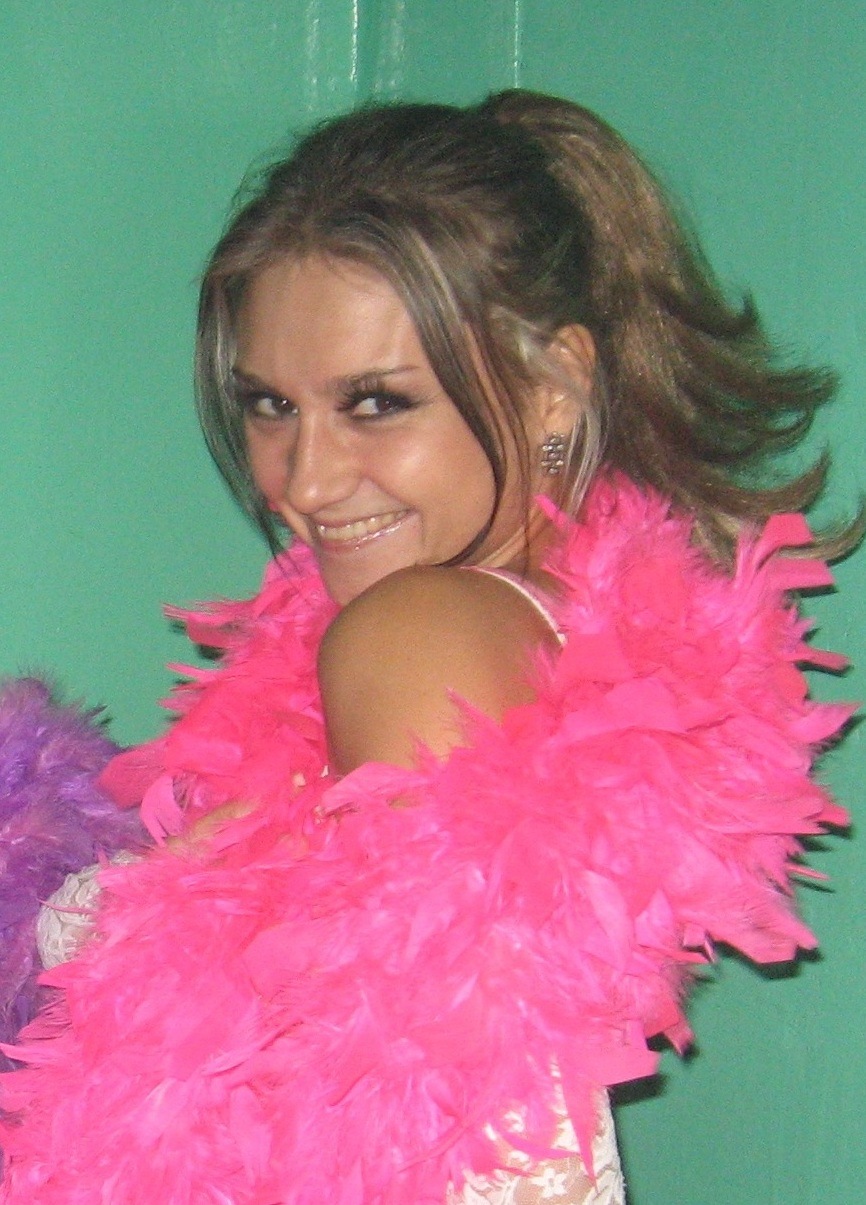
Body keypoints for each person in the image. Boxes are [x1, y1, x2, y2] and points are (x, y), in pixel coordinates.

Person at [0, 90, 857, 1204]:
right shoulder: (569, 637)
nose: (304, 481)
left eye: (374, 403)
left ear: (552, 389)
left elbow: (397, 1134)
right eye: (269, 404)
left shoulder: (410, 631)